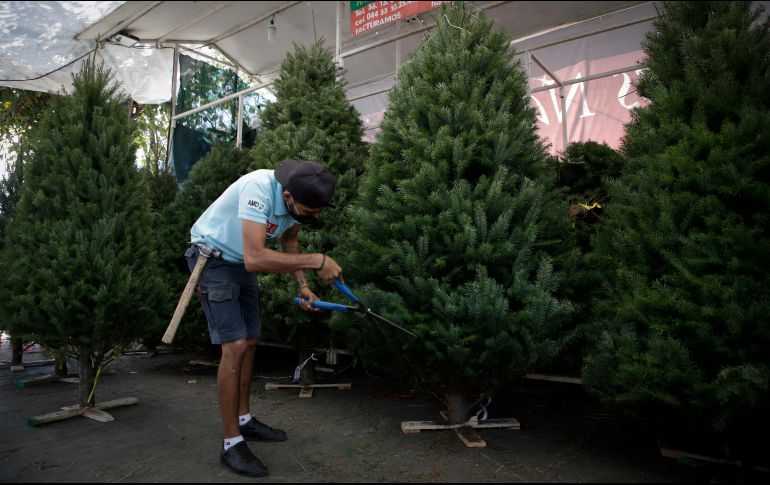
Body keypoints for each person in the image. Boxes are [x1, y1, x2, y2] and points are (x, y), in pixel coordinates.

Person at [185, 159, 343, 478]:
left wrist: (304, 285)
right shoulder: (257, 189)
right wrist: (318, 260)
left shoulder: (298, 200)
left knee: (251, 343)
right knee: (235, 346)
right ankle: (231, 443)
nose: (316, 216)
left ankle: (244, 421)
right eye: (310, 211)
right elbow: (256, 257)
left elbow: (289, 241)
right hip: (212, 261)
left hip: (239, 265)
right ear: (287, 197)